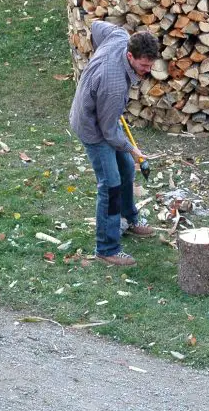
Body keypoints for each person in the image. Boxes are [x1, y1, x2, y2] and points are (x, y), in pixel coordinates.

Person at [69, 21, 160, 266]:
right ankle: (107, 248)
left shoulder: (119, 36)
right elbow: (109, 133)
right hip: (92, 127)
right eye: (143, 65)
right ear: (130, 56)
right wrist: (132, 149)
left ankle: (129, 219)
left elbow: (96, 26)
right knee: (110, 184)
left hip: (105, 115)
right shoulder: (114, 85)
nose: (147, 70)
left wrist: (98, 60)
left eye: (150, 65)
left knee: (127, 169)